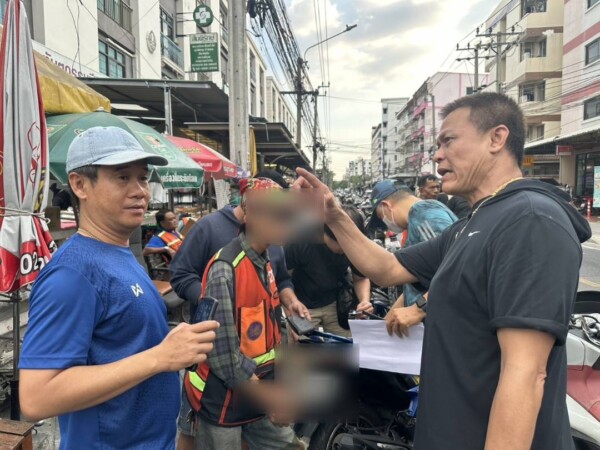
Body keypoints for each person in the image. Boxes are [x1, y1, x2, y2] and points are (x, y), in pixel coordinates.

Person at [293, 93, 591, 450]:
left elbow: (525, 375)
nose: (437, 155)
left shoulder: (529, 220)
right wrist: (335, 216)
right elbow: (387, 267)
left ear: (497, 138)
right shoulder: (473, 223)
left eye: (448, 140)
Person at [19, 126, 218, 450]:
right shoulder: (72, 274)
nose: (140, 191)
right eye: (123, 177)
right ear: (79, 184)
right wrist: (160, 357)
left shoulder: (119, 253)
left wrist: (172, 343)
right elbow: (36, 397)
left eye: (143, 178)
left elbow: (123, 341)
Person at [170, 170, 307, 450]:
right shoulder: (226, 268)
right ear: (250, 215)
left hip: (255, 387)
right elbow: (223, 355)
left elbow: (269, 329)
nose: (286, 224)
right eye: (277, 215)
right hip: (223, 397)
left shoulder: (266, 258)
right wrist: (270, 398)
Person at [368, 180, 457, 336]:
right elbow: (422, 277)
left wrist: (419, 308)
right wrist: (392, 313)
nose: (385, 224)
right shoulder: (420, 216)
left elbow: (454, 270)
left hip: (442, 326)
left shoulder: (425, 216)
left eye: (381, 218)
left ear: (386, 206)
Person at [285, 205, 373, 338]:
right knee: (303, 346)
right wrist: (291, 310)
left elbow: (361, 278)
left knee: (347, 344)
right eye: (341, 245)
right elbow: (282, 279)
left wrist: (364, 301)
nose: (345, 250)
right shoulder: (300, 240)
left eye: (348, 245)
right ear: (325, 232)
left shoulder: (353, 246)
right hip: (302, 305)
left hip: (335, 304)